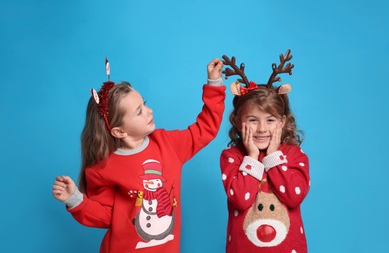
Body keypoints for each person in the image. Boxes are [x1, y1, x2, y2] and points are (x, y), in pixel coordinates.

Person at [52, 57, 226, 253]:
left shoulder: (168, 144)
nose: (149, 111)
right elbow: (105, 217)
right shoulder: (102, 168)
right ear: (119, 132)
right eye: (139, 112)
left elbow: (206, 128)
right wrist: (74, 199)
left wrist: (214, 84)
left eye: (144, 104)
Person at [220, 50, 310, 253]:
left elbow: (293, 197)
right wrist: (252, 156)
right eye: (253, 120)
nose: (261, 128)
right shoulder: (232, 157)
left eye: (270, 120)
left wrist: (272, 156)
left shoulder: (295, 155)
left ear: (283, 122)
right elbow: (241, 200)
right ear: (237, 121)